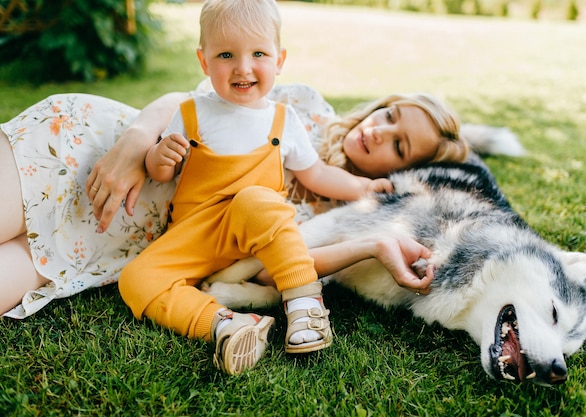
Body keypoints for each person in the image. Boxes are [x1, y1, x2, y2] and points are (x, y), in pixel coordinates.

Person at [118, 0, 398, 375]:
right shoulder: (191, 111)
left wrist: (363, 188)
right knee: (134, 279)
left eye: (259, 53)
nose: (243, 67)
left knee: (256, 199)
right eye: (226, 54)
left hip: (256, 234)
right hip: (194, 235)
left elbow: (316, 175)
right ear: (204, 62)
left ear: (279, 60)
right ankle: (227, 325)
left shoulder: (282, 120)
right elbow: (161, 173)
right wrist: (159, 156)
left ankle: (304, 303)